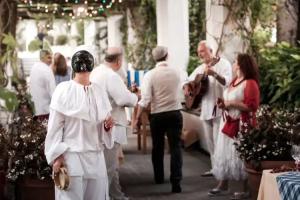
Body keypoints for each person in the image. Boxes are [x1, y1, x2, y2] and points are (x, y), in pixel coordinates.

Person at [44, 50, 114, 200]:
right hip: (72, 156)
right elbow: (55, 127)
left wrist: (107, 127)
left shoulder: (99, 91)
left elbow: (103, 124)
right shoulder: (64, 90)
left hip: (96, 157)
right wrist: (56, 155)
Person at [209, 53, 260, 199]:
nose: (233, 64)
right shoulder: (234, 81)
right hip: (228, 121)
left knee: (240, 155)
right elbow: (229, 100)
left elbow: (252, 106)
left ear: (241, 64)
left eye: (235, 61)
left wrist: (230, 104)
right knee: (225, 152)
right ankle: (223, 184)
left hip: (241, 123)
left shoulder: (250, 83)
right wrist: (223, 105)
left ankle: (247, 189)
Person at [90, 47, 138, 200]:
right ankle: (103, 197)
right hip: (112, 125)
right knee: (109, 167)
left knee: (109, 165)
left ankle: (117, 196)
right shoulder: (111, 76)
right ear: (118, 61)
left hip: (99, 124)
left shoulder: (96, 71)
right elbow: (123, 99)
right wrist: (135, 96)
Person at [134, 46, 183, 193]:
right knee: (175, 148)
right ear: (167, 56)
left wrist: (136, 118)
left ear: (154, 58)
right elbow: (182, 90)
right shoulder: (177, 72)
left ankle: (159, 177)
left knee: (158, 147)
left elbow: (145, 99)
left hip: (158, 115)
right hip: (175, 113)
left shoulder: (150, 75)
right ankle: (176, 182)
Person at [183, 40, 232, 176]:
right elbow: (187, 81)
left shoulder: (224, 64)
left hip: (220, 108)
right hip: (205, 109)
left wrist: (214, 74)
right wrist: (187, 87)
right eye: (198, 53)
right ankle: (214, 168)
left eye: (202, 51)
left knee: (218, 140)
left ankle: (222, 170)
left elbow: (227, 82)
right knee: (210, 142)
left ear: (211, 50)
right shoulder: (200, 68)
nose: (200, 55)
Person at [29, 49, 56, 120]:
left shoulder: (34, 67)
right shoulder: (47, 70)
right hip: (45, 110)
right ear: (42, 58)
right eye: (49, 57)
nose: (51, 60)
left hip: (35, 108)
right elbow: (52, 90)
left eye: (52, 58)